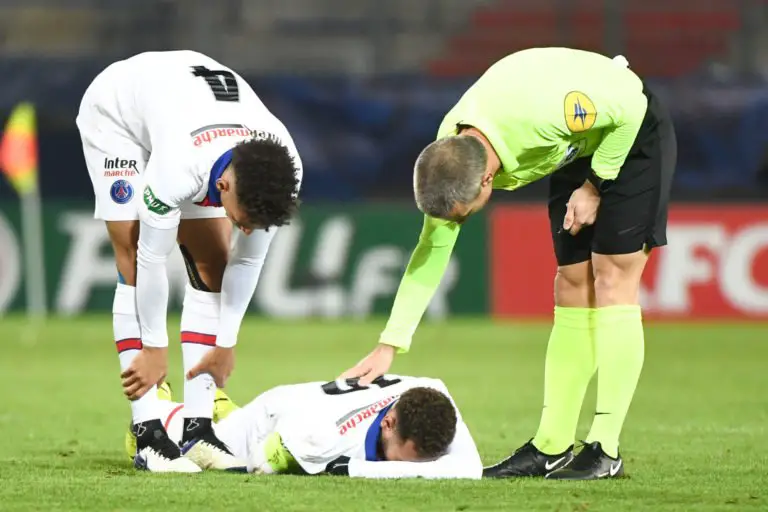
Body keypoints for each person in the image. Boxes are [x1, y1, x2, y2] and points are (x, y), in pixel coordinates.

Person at [340, 47, 676, 480]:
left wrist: (595, 185)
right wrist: (390, 343)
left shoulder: (542, 119)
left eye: (464, 215)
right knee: (572, 283)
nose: (459, 222)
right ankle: (552, 446)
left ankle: (604, 449)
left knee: (611, 277)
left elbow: (629, 106)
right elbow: (430, 252)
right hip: (579, 145)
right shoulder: (450, 157)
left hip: (628, 131)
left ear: (486, 180)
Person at [76, 50, 303, 473]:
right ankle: (148, 435)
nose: (246, 231)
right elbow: (151, 258)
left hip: (184, 113)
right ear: (224, 185)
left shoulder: (283, 171)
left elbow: (246, 264)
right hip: (118, 113)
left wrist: (226, 344)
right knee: (131, 254)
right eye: (243, 220)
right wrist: (154, 349)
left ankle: (197, 432)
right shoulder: (180, 167)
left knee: (214, 265)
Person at [132, 376, 481, 479]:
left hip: (303, 402)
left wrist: (355, 469)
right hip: (267, 423)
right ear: (388, 423)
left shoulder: (432, 392)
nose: (407, 471)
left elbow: (470, 469)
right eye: (400, 461)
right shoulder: (322, 437)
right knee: (152, 441)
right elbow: (258, 466)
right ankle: (164, 403)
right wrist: (346, 467)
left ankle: (221, 406)